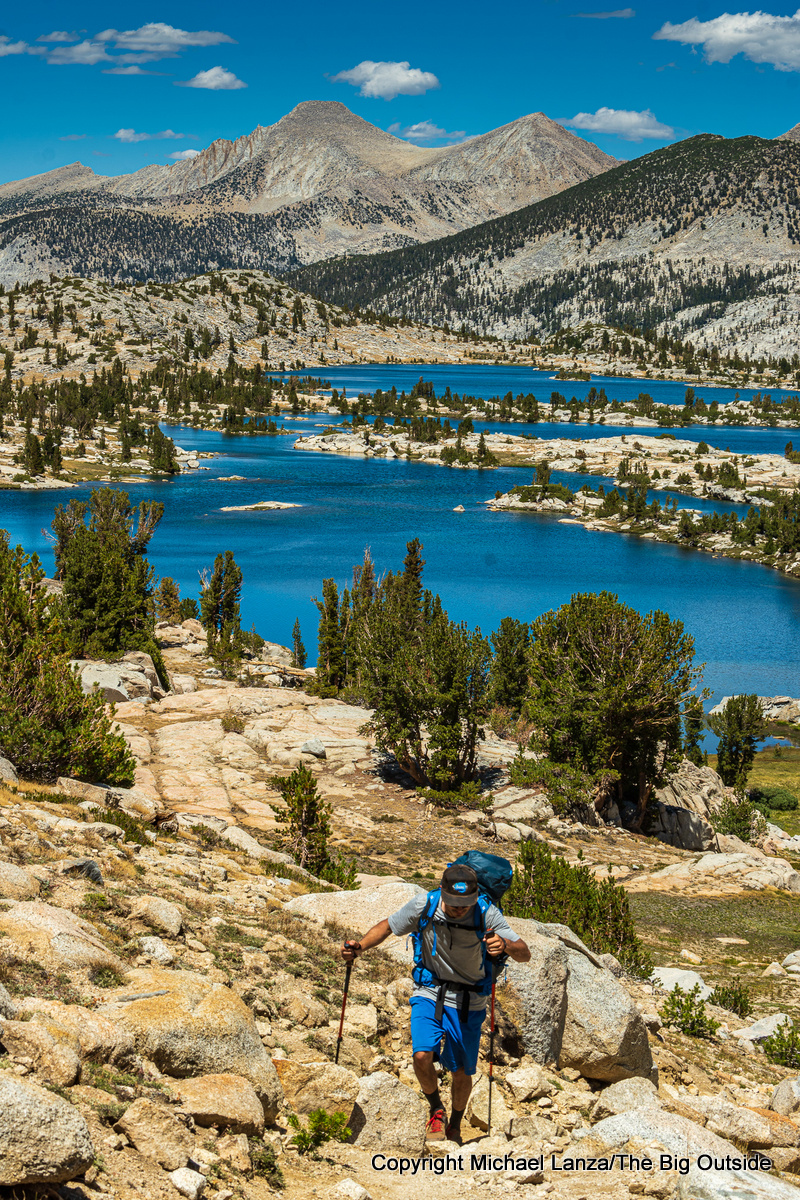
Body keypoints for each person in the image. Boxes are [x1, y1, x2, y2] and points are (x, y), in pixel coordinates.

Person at [341, 863, 530, 1143]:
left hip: (470, 999)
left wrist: (504, 944)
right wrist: (360, 948)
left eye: (465, 903)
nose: (459, 909)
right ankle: (436, 1109)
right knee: (420, 1055)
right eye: (453, 903)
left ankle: (455, 1123)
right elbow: (388, 926)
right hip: (430, 988)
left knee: (461, 1071)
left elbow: (524, 953)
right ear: (442, 891)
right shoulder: (425, 904)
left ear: (476, 897)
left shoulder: (487, 912)